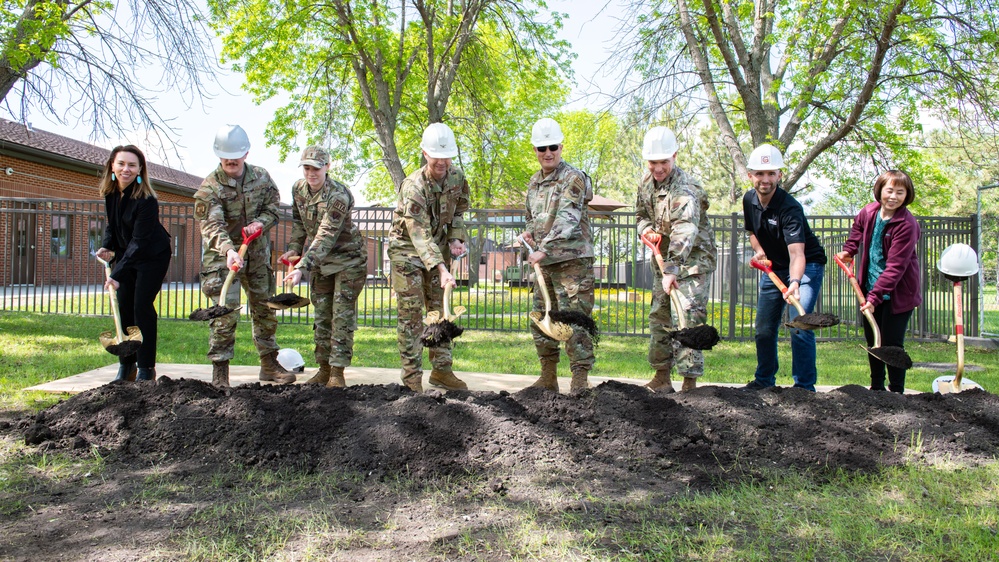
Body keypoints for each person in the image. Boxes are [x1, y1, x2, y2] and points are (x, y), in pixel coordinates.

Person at [193, 124, 296, 387]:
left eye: (235, 156)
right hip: (222, 258)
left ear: (246, 153)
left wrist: (261, 223)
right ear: (218, 155)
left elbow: (273, 208)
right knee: (224, 313)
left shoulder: (262, 177)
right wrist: (228, 250)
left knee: (265, 309)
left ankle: (269, 365)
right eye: (225, 156)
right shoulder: (210, 187)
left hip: (258, 255)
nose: (230, 160)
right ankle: (220, 372)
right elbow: (211, 226)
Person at [387, 123, 470, 392]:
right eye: (437, 156)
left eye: (447, 157)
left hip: (436, 247)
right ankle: (412, 379)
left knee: (441, 311)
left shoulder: (457, 177)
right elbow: (419, 234)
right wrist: (442, 268)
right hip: (407, 250)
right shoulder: (413, 186)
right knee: (411, 315)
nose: (442, 162)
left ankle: (442, 371)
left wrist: (456, 238)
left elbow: (459, 211)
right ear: (425, 153)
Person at [636, 127, 716, 393]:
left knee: (688, 319)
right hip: (663, 261)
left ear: (675, 156)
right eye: (653, 162)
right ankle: (661, 377)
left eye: (663, 162)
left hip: (691, 263)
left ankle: (689, 383)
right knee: (660, 316)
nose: (658, 168)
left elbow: (685, 230)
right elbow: (640, 214)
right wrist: (645, 228)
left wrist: (673, 269)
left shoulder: (685, 189)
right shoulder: (646, 183)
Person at [742, 144, 827, 391]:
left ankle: (804, 387)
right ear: (751, 176)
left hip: (806, 266)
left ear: (780, 175)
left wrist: (795, 283)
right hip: (775, 267)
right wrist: (759, 251)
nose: (765, 179)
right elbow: (751, 232)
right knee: (764, 328)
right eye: (759, 173)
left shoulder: (789, 208)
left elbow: (798, 253)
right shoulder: (749, 199)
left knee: (799, 323)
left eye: (771, 173)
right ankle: (764, 380)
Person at [282, 146, 368, 388]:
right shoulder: (298, 189)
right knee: (321, 317)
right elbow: (299, 223)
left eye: (316, 168)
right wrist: (294, 249)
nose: (311, 173)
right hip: (320, 262)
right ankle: (323, 368)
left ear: (327, 168)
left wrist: (303, 266)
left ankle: (337, 373)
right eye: (307, 168)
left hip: (348, 261)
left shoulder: (339, 195)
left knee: (340, 317)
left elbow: (326, 235)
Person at [521, 117, 595, 393]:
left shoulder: (573, 178)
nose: (548, 152)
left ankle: (579, 380)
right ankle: (548, 377)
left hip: (572, 262)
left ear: (561, 146)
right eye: (542, 148)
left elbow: (568, 218)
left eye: (553, 146)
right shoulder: (534, 183)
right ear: (535, 151)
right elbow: (532, 218)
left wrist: (544, 247)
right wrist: (529, 234)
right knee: (542, 318)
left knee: (575, 320)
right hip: (545, 265)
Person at [836, 170, 921, 393]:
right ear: (880, 191)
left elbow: (896, 267)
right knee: (874, 339)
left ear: (907, 195)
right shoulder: (870, 211)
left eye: (900, 192)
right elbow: (857, 229)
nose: (893, 197)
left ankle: (896, 392)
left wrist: (874, 297)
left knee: (892, 344)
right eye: (889, 190)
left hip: (897, 293)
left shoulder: (906, 224)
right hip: (869, 287)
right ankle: (876, 388)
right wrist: (849, 250)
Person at [95, 145, 172, 382]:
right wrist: (107, 245)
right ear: (112, 166)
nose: (125, 169)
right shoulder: (111, 193)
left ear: (140, 169)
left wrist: (117, 273)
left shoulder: (146, 199)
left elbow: (139, 241)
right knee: (124, 305)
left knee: (141, 306)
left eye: (131, 165)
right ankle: (126, 366)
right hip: (126, 254)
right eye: (121, 164)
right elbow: (113, 224)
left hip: (151, 256)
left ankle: (146, 368)